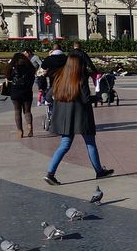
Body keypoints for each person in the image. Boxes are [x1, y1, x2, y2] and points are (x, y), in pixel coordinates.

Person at [43, 52, 114, 185]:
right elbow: (86, 99)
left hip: (65, 118)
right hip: (81, 116)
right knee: (90, 143)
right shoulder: (80, 79)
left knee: (64, 145)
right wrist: (99, 97)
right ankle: (99, 171)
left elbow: (48, 96)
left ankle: (50, 173)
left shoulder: (59, 77)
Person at [5, 52, 36, 138]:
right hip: (27, 91)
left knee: (17, 111)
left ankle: (20, 131)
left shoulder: (12, 67)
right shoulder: (29, 67)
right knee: (27, 111)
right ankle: (29, 126)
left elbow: (8, 77)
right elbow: (33, 77)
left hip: (15, 91)